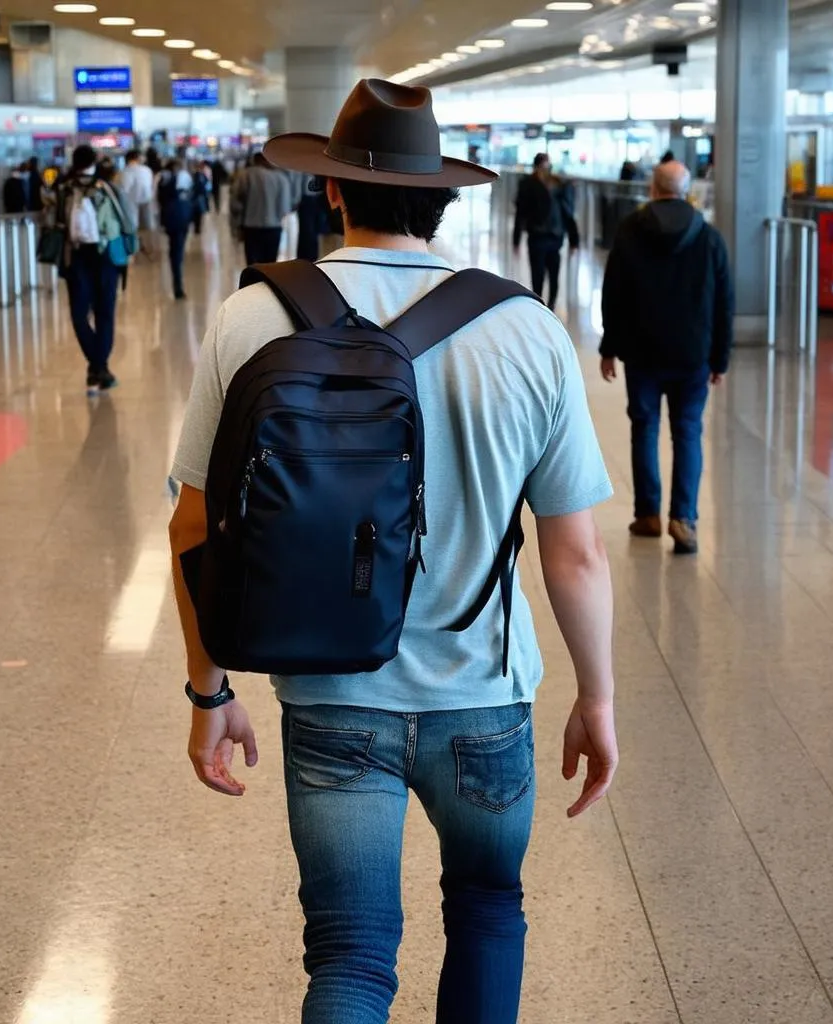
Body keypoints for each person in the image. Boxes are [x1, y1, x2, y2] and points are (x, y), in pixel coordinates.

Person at [168, 78, 618, 1024]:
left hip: (330, 698)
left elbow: (195, 529)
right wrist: (597, 698)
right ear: (443, 197)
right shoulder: (527, 329)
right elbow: (574, 554)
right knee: (490, 912)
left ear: (331, 192)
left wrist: (211, 696)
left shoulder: (248, 320)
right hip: (485, 698)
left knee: (349, 957)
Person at [599, 161, 734, 555]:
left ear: (653, 189)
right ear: (687, 191)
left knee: (645, 428)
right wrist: (719, 359)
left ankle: (648, 515)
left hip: (642, 353)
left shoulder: (629, 232)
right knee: (687, 431)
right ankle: (684, 519)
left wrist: (609, 347)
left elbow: (613, 295)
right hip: (693, 356)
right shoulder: (709, 238)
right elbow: (724, 304)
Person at [55, 144, 129, 393]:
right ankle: (100, 366)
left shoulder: (62, 189)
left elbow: (51, 222)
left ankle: (96, 367)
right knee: (105, 313)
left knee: (79, 314)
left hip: (74, 257)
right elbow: (126, 219)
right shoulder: (106, 187)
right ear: (94, 162)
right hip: (106, 257)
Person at [512, 154, 578, 311]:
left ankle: (551, 306)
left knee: (554, 276)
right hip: (537, 238)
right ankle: (539, 306)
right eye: (543, 167)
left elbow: (567, 213)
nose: (545, 171)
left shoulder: (558, 186)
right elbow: (521, 213)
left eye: (547, 168)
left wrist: (574, 239)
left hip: (554, 238)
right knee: (538, 275)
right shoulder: (528, 185)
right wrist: (516, 238)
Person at [229, 151, 294, 265]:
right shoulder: (281, 178)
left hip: (251, 227)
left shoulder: (246, 175)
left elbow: (235, 203)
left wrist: (236, 224)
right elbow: (285, 208)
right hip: (274, 227)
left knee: (253, 263)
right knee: (270, 264)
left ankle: (254, 282)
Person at [157, 158, 194, 299]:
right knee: (178, 251)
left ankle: (177, 282)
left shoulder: (163, 180)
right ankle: (177, 286)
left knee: (175, 251)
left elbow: (159, 200)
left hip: (171, 219)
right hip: (183, 217)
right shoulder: (185, 178)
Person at [120, 149, 155, 254]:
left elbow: (124, 189)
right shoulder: (147, 170)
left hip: (131, 202)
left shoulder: (126, 171)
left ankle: (134, 247)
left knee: (133, 225)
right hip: (147, 201)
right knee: (148, 226)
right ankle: (149, 248)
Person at [191, 161, 211, 236]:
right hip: (200, 196)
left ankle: (197, 228)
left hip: (197, 196)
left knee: (197, 213)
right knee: (198, 212)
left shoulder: (196, 175)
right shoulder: (200, 175)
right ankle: (197, 228)